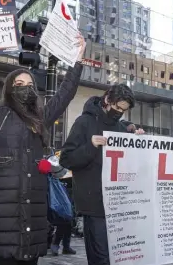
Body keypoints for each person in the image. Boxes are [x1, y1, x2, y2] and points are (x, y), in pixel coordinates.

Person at [0, 4, 86, 265]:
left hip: (32, 222)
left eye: (29, 85)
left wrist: (79, 57)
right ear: (8, 89)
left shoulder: (41, 118)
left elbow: (66, 92)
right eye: (18, 84)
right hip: (0, 221)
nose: (25, 88)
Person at [59, 84, 144, 265]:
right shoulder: (84, 122)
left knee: (116, 257)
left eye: (123, 110)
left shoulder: (121, 128)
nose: (119, 112)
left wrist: (138, 142)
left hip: (118, 203)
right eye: (117, 107)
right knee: (101, 257)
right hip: (94, 203)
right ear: (107, 100)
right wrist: (90, 146)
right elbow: (66, 159)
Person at [50, 179, 76, 256]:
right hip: (59, 191)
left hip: (67, 190)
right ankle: (56, 245)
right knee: (62, 222)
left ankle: (65, 246)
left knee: (68, 223)